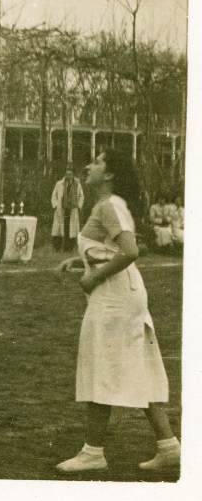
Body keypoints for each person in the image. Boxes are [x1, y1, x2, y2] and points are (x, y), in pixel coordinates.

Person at [56, 150, 179, 472]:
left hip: (116, 296)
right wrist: (83, 262)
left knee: (103, 366)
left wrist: (94, 275)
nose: (88, 165)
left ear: (109, 174)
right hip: (120, 292)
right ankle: (169, 446)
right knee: (136, 367)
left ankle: (93, 453)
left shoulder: (110, 205)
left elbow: (129, 250)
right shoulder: (106, 205)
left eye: (96, 162)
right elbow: (111, 249)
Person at [51, 166, 85, 252]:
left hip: (72, 209)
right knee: (59, 229)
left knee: (71, 230)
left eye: (70, 174)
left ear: (73, 175)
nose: (68, 175)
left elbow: (81, 196)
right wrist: (55, 205)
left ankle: (69, 248)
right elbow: (54, 195)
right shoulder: (59, 184)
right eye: (67, 174)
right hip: (62, 208)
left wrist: (78, 205)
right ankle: (57, 248)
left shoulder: (77, 184)